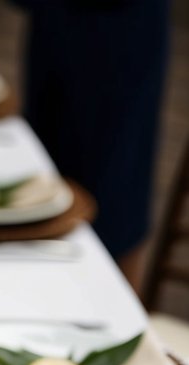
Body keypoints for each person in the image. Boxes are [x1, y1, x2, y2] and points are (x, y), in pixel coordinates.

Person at [16, 0, 171, 293]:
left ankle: (113, 310)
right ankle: (43, 292)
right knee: (44, 172)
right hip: (56, 17)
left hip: (121, 26)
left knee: (115, 192)